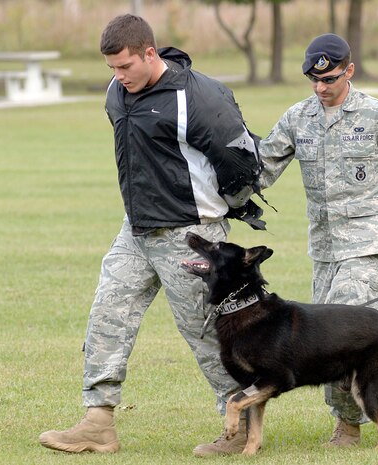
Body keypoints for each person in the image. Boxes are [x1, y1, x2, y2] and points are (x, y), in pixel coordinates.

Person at [38, 14, 262, 456]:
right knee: (108, 315)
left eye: (125, 67)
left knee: (208, 333)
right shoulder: (116, 94)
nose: (119, 78)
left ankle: (241, 428)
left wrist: (223, 215)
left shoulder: (198, 97)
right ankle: (97, 421)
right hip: (135, 230)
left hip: (190, 233)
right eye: (112, 70)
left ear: (149, 53)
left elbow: (242, 163)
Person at [257, 33, 378, 447]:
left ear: (350, 71)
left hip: (366, 242)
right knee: (322, 344)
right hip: (323, 249)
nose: (321, 88)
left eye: (330, 80)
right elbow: (261, 169)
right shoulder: (297, 118)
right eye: (314, 80)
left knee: (341, 337)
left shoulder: (376, 114)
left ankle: (348, 428)